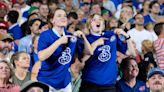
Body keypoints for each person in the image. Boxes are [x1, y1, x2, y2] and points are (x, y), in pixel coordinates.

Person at [37, 8, 92, 92]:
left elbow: (89, 52)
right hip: (46, 81)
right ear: (52, 20)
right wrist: (59, 42)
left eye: (65, 16)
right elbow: (41, 56)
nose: (63, 18)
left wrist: (83, 37)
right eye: (59, 16)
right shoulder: (45, 35)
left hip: (64, 83)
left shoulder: (71, 36)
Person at [79, 14, 131, 92]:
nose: (98, 21)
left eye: (100, 19)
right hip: (90, 83)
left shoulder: (111, 35)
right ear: (89, 25)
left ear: (103, 24)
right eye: (94, 20)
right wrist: (96, 43)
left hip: (109, 85)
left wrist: (126, 36)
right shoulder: (85, 39)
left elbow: (128, 52)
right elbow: (83, 60)